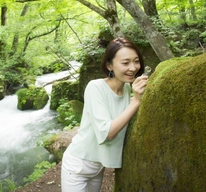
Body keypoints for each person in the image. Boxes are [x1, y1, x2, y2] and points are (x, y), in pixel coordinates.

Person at [61, 37, 148, 192]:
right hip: (77, 166)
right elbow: (107, 132)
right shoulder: (96, 87)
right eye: (125, 63)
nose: (133, 67)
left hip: (98, 167)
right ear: (109, 65)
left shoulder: (129, 89)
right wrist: (136, 102)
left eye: (136, 61)